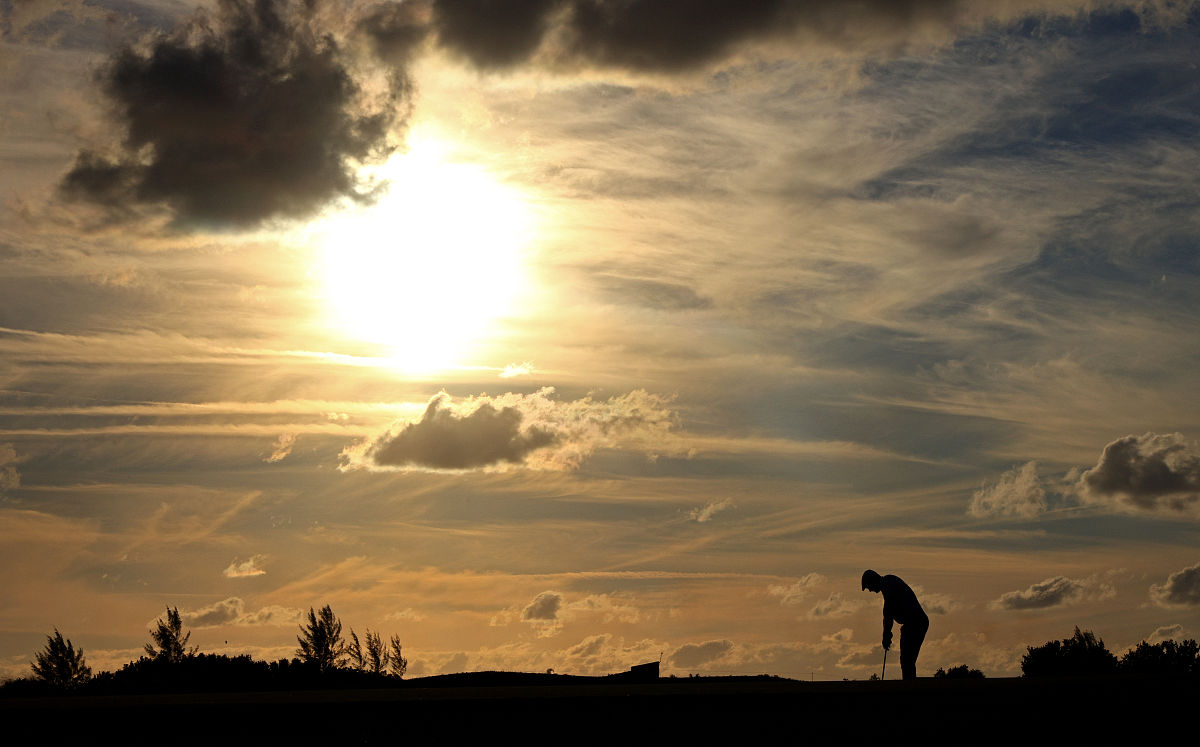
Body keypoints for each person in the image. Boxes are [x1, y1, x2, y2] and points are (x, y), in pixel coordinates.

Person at [861, 569, 929, 680]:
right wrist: (887, 633)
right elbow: (888, 613)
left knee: (907, 660)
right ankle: (909, 684)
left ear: (872, 581)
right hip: (912, 624)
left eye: (869, 587)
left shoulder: (888, 585)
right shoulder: (888, 583)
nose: (870, 591)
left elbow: (888, 612)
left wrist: (886, 634)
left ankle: (910, 687)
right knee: (907, 660)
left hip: (915, 623)